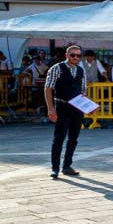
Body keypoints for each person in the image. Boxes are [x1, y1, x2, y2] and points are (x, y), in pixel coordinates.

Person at [43, 44, 88, 179]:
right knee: (59, 138)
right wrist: (51, 108)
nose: (76, 57)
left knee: (73, 139)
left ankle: (67, 166)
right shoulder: (57, 68)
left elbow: (83, 91)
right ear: (66, 55)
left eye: (78, 55)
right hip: (62, 107)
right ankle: (55, 168)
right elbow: (48, 89)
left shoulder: (81, 70)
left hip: (77, 108)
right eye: (73, 55)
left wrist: (87, 106)